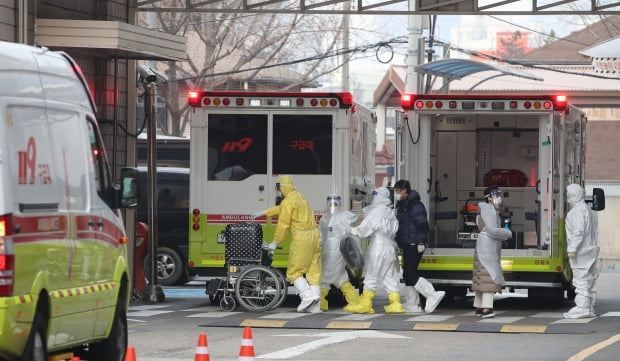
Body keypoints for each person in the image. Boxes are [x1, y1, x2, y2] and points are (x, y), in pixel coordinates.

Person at [251, 175, 321, 312]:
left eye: (280, 189)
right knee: (314, 271)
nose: (279, 192)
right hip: (314, 235)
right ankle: (316, 305)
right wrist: (265, 212)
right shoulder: (299, 197)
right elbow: (282, 208)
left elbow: (283, 224)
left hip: (302, 238)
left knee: (293, 272)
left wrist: (275, 242)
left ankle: (307, 297)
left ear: (283, 187)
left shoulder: (288, 202)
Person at [344, 187, 404, 314]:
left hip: (378, 246)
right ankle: (396, 304)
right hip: (390, 247)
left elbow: (364, 229)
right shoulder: (390, 213)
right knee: (389, 276)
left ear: (378, 197)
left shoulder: (377, 212)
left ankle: (365, 304)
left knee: (372, 274)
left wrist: (351, 231)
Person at [393, 180, 445, 313]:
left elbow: (422, 224)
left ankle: (432, 294)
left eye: (398, 190)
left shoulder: (415, 205)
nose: (396, 193)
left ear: (405, 190)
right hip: (407, 242)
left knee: (409, 274)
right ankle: (413, 303)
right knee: (408, 273)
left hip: (414, 243)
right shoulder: (402, 205)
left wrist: (421, 241)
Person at [472, 186, 512, 319]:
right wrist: (507, 233)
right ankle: (486, 309)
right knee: (489, 276)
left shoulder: (484, 209)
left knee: (481, 275)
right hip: (488, 247)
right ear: (489, 198)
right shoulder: (489, 210)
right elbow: (492, 230)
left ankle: (478, 306)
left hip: (483, 246)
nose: (499, 197)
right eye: (496, 195)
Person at [318, 194, 360, 311]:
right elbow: (321, 236)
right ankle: (354, 301)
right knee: (340, 278)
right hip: (327, 251)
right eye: (330, 203)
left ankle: (321, 302)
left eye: (335, 203)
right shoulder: (324, 219)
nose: (333, 206)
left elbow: (354, 229)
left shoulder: (344, 216)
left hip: (338, 250)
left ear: (340, 204)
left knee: (326, 277)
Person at [564, 183, 599, 319]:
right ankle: (589, 306)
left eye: (568, 193)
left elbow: (578, 232)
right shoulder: (588, 210)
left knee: (581, 277)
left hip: (581, 251)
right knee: (589, 277)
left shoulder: (577, 211)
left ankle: (582, 308)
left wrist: (573, 248)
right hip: (590, 249)